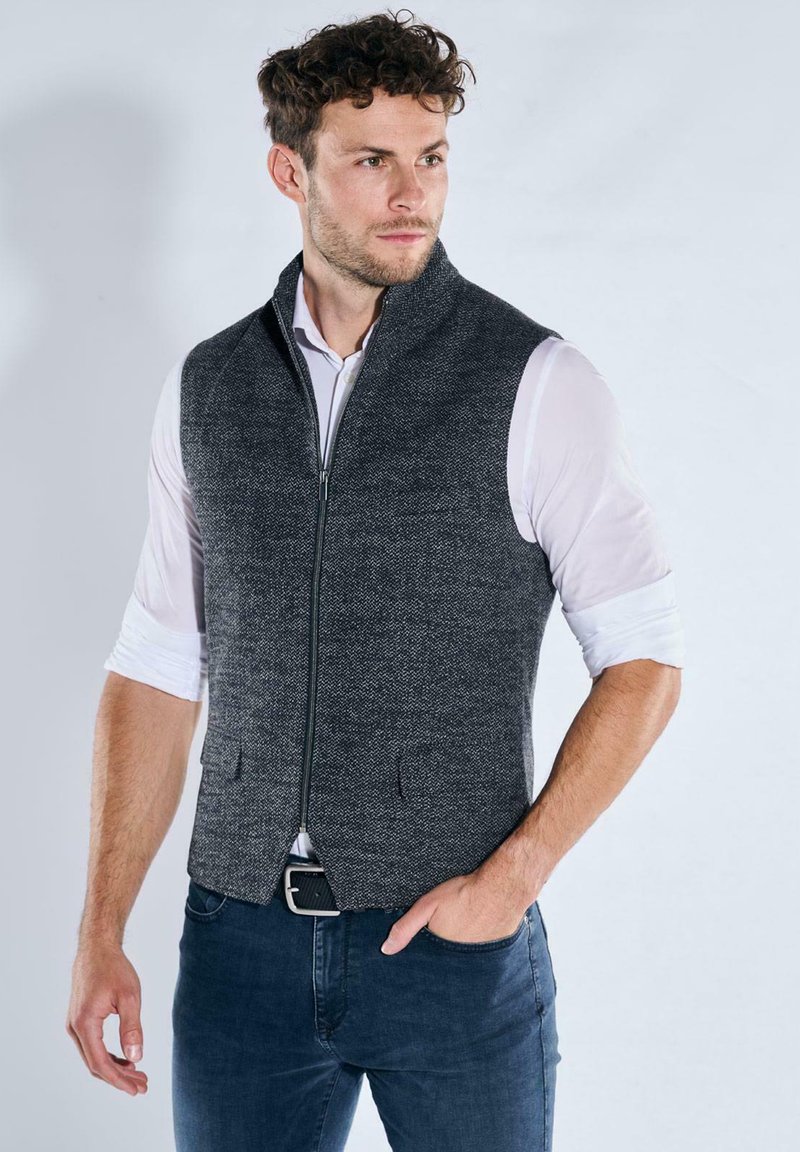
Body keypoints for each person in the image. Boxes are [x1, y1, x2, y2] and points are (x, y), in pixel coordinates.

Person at [66, 10, 684, 1151]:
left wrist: (512, 880)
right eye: (371, 161)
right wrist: (101, 929)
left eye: (430, 157)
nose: (412, 194)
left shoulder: (537, 382)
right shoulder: (208, 387)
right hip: (238, 944)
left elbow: (643, 657)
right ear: (288, 171)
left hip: (449, 944)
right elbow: (157, 663)